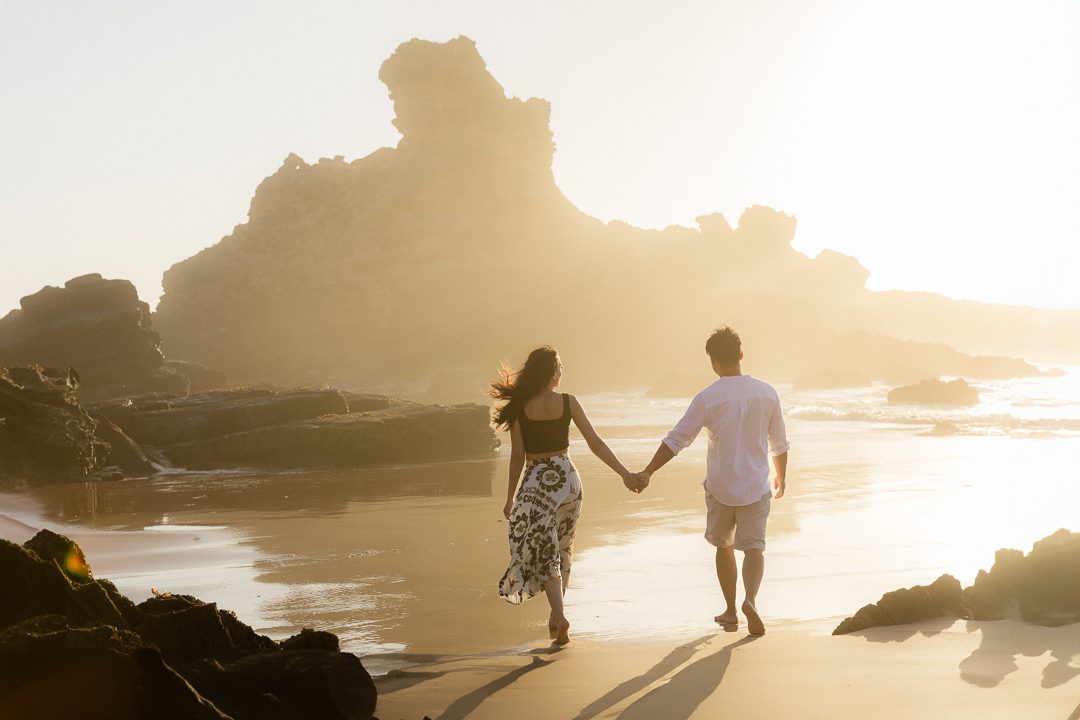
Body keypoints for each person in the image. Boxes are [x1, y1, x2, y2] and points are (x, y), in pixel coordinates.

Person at [634, 326, 789, 636]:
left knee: (724, 545)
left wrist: (648, 471)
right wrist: (781, 476)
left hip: (720, 487)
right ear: (741, 355)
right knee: (755, 548)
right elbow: (780, 443)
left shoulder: (708, 397)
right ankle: (751, 601)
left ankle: (731, 611)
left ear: (713, 362)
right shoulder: (767, 392)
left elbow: (677, 440)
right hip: (757, 485)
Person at [491, 346, 639, 645]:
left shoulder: (520, 407)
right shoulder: (569, 402)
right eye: (559, 367)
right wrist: (624, 473)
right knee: (562, 547)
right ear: (551, 372)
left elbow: (518, 455)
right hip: (569, 479)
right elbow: (595, 442)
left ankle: (558, 615)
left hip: (538, 483)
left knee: (542, 548)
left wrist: (510, 498)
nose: (561, 373)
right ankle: (556, 616)